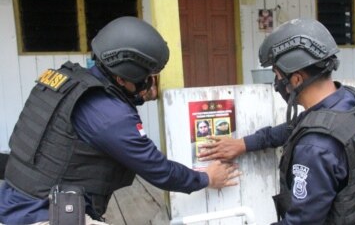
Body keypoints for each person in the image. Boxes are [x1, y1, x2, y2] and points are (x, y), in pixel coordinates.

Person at [0, 16, 240, 225]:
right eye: (146, 76)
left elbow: (101, 116)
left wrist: (138, 96)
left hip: (13, 200)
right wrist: (206, 178)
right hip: (42, 216)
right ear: (126, 75)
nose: (149, 82)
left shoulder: (67, 82)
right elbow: (158, 170)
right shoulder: (110, 116)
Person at [198, 18, 355, 224]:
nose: (276, 83)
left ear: (296, 79)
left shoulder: (316, 147)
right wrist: (244, 144)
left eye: (277, 74)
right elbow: (297, 127)